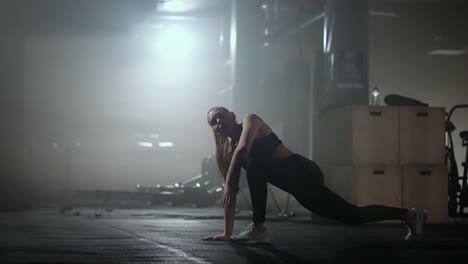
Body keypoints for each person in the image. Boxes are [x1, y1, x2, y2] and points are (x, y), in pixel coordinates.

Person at [201, 106, 428, 244]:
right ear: (213, 130)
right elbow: (229, 195)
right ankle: (411, 215)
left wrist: (230, 183)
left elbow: (244, 151)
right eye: (213, 122)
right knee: (353, 216)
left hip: (303, 172)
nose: (218, 122)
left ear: (231, 115)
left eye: (220, 116)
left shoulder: (251, 120)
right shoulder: (229, 152)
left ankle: (258, 229)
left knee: (253, 164)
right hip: (298, 189)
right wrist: (226, 234)